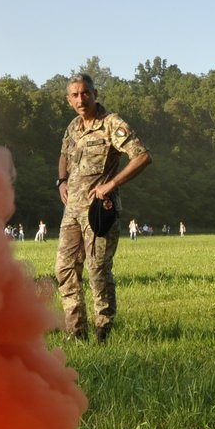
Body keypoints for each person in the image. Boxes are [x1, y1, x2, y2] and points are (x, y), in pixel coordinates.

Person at [55, 73, 151, 342]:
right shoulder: (73, 127)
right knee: (64, 269)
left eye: (85, 93)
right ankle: (76, 331)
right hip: (72, 211)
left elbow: (142, 156)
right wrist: (61, 180)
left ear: (95, 94)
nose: (80, 99)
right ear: (68, 99)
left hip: (99, 210)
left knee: (97, 269)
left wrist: (111, 184)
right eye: (74, 95)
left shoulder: (111, 124)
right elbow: (63, 154)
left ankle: (103, 330)